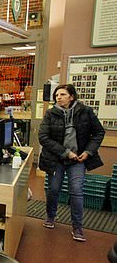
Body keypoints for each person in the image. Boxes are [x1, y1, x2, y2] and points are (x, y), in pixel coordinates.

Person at [39, 83, 105, 242]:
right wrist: (65, 152)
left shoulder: (86, 112)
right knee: (53, 189)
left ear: (72, 97)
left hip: (78, 160)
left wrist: (88, 152)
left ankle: (77, 227)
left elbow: (98, 132)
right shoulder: (50, 114)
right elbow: (43, 137)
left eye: (62, 94)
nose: (58, 97)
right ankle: (50, 216)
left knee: (76, 191)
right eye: (56, 95)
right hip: (57, 159)